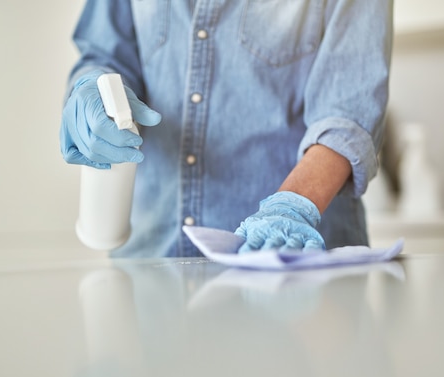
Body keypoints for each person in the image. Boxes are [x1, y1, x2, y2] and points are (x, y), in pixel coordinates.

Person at [60, 0, 393, 257]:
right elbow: (105, 53)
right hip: (148, 265)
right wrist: (93, 87)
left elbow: (347, 109)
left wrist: (291, 208)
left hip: (295, 273)